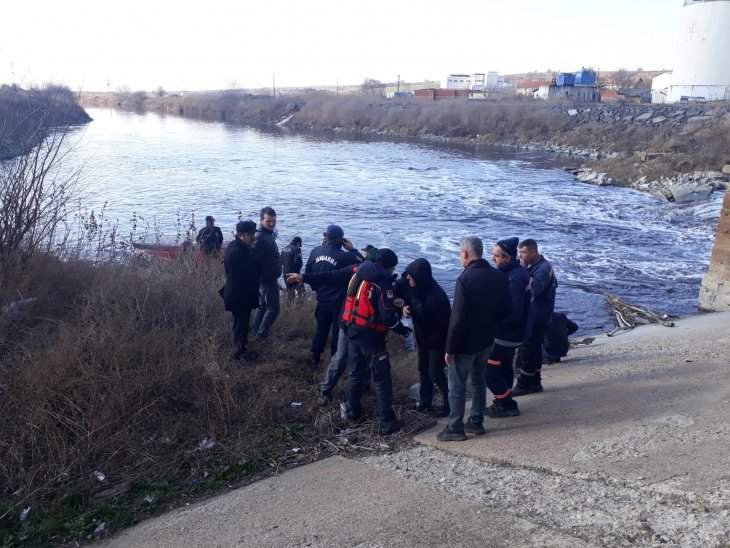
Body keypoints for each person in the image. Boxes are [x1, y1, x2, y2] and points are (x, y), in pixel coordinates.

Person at [437, 236, 511, 442]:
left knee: (457, 385)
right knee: (479, 380)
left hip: (465, 342)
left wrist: (449, 348)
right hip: (487, 339)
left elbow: (457, 318)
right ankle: (476, 421)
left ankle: (455, 427)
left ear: (465, 253)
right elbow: (507, 309)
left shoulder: (465, 279)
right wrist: (490, 324)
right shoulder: (499, 277)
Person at [342, 248, 412, 435]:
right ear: (388, 267)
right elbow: (388, 318)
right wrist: (405, 331)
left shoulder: (358, 274)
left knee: (355, 373)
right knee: (381, 379)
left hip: (353, 331)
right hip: (372, 337)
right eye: (393, 268)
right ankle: (387, 422)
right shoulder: (383, 282)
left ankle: (353, 412)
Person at [395, 258, 451, 418]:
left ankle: (449, 404)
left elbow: (443, 325)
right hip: (423, 338)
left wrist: (448, 349)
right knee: (423, 371)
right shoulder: (416, 287)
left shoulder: (437, 298)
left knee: (435, 372)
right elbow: (403, 293)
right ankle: (426, 402)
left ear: (420, 277)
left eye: (411, 276)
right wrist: (403, 308)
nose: (407, 278)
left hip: (437, 341)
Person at [303, 225, 362, 368]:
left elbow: (309, 273)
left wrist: (317, 289)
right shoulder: (347, 256)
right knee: (337, 332)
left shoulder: (315, 251)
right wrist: (352, 249)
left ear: (326, 236)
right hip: (340, 301)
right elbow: (366, 263)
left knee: (321, 329)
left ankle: (315, 359)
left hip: (322, 299)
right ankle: (334, 364)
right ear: (342, 241)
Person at [485, 237, 531, 418]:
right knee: (504, 365)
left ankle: (507, 404)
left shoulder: (514, 279)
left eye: (496, 256)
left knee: (489, 371)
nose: (492, 258)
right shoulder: (517, 272)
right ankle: (503, 399)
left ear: (508, 258)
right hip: (515, 334)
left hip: (506, 335)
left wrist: (490, 319)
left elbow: (513, 312)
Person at [513, 238, 558, 397]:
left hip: (538, 317)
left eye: (523, 252)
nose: (521, 256)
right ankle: (535, 381)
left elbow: (534, 290)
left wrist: (522, 271)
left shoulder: (542, 270)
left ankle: (524, 383)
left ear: (533, 251)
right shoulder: (540, 267)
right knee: (534, 350)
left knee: (528, 350)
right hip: (540, 315)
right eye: (519, 253)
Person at [220, 220, 259, 361]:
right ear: (241, 235)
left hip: (243, 294)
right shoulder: (236, 251)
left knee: (243, 324)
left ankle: (243, 350)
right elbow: (236, 278)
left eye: (254, 233)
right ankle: (237, 356)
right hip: (239, 295)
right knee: (239, 324)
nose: (253, 237)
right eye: (251, 234)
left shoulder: (240, 246)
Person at [252, 207, 281, 340]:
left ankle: (255, 332)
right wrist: (261, 276)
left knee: (263, 306)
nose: (271, 224)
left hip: (268, 277)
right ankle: (260, 336)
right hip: (267, 278)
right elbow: (253, 259)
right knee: (273, 309)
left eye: (274, 221)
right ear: (261, 220)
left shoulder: (268, 234)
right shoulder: (260, 237)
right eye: (268, 221)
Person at [281, 236, 304, 301]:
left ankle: (289, 308)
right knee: (302, 292)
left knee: (290, 292)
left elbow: (281, 262)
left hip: (285, 274)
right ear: (298, 243)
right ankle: (299, 308)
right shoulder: (296, 249)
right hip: (294, 275)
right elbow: (297, 263)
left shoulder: (284, 249)